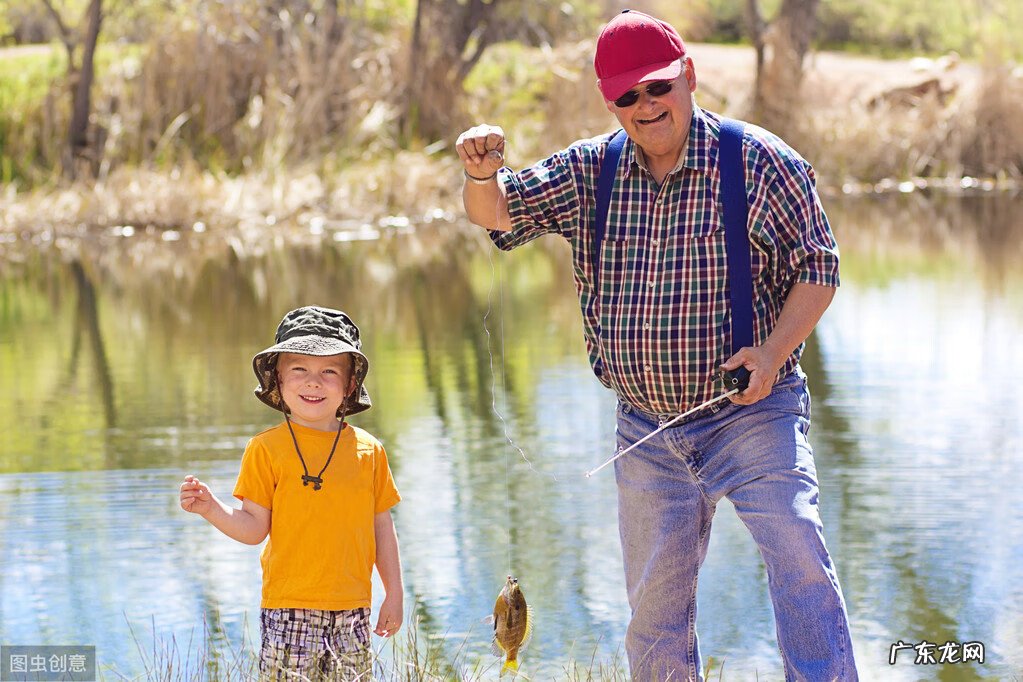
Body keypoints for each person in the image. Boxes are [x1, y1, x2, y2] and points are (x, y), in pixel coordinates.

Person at [455, 9, 857, 681]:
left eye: (658, 86)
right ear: (609, 102)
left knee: (799, 555)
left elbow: (818, 266)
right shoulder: (590, 170)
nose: (646, 105)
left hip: (754, 414)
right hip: (644, 432)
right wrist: (479, 173)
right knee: (653, 614)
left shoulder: (759, 161)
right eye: (627, 95)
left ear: (688, 76)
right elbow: (496, 211)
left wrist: (770, 353)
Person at [179, 306, 403, 680]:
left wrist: (394, 594)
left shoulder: (370, 451)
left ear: (350, 385)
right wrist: (211, 508)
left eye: (329, 371)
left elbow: (382, 528)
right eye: (299, 369)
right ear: (279, 380)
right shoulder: (265, 449)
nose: (313, 382)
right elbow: (254, 528)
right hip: (288, 608)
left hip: (354, 608)